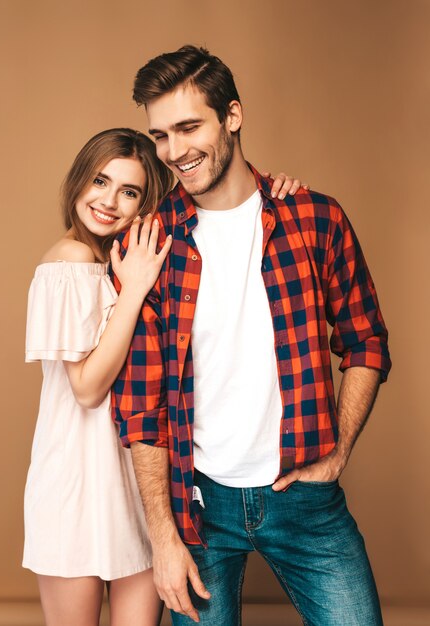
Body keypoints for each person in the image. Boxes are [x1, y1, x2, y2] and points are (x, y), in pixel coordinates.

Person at [112, 46, 392, 626]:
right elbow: (142, 405)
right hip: (198, 506)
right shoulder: (150, 242)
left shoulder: (314, 218)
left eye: (189, 127)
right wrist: (164, 538)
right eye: (160, 135)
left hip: (306, 501)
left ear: (232, 116)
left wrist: (338, 450)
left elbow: (365, 340)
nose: (175, 152)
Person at [23, 127, 302, 626]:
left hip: (141, 481)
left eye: (128, 192)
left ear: (143, 203)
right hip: (76, 482)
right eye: (100, 181)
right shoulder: (69, 261)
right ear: (78, 182)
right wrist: (132, 290)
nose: (109, 202)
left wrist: (271, 191)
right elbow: (86, 389)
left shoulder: (137, 253)